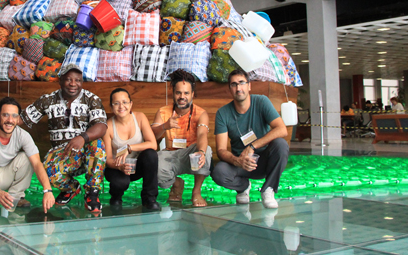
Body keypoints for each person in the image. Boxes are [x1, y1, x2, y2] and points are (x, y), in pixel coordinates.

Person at [20, 65, 108, 213]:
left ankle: (92, 191)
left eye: (77, 80)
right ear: (60, 81)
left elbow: (101, 126)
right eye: (68, 80)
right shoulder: (48, 100)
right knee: (46, 168)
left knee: (97, 144)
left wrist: (82, 137)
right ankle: (71, 188)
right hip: (63, 155)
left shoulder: (92, 99)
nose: (73, 84)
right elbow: (22, 118)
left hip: (85, 153)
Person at [210, 69, 289, 209]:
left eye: (241, 83)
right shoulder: (223, 113)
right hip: (240, 164)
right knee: (218, 172)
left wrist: (252, 146)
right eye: (234, 84)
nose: (238, 88)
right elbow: (221, 150)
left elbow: (282, 129)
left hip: (264, 161)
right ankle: (243, 187)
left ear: (249, 85)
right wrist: (238, 161)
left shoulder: (262, 101)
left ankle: (268, 189)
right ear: (230, 89)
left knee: (281, 145)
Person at [0, 97, 55, 213]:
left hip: (6, 175)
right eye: (5, 115)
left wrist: (48, 191)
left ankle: (16, 196)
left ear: (18, 119)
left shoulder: (23, 135)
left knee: (27, 158)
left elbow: (37, 163)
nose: (10, 120)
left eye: (14, 116)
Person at [151, 69, 212, 207]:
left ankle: (196, 192)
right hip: (170, 154)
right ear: (173, 94)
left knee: (206, 150)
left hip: (191, 155)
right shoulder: (163, 112)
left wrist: (201, 152)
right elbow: (152, 137)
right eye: (178, 92)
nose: (182, 96)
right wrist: (164, 126)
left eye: (186, 93)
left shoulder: (201, 113)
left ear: (192, 95)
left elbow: (202, 134)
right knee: (153, 162)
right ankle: (177, 184)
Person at [103, 88, 160, 211]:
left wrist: (130, 148)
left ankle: (149, 198)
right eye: (116, 103)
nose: (121, 106)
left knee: (151, 154)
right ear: (111, 107)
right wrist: (119, 166)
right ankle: (116, 197)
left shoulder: (140, 117)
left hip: (137, 166)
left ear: (131, 104)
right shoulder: (107, 126)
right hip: (117, 168)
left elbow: (153, 144)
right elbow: (108, 160)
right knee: (120, 183)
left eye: (125, 102)